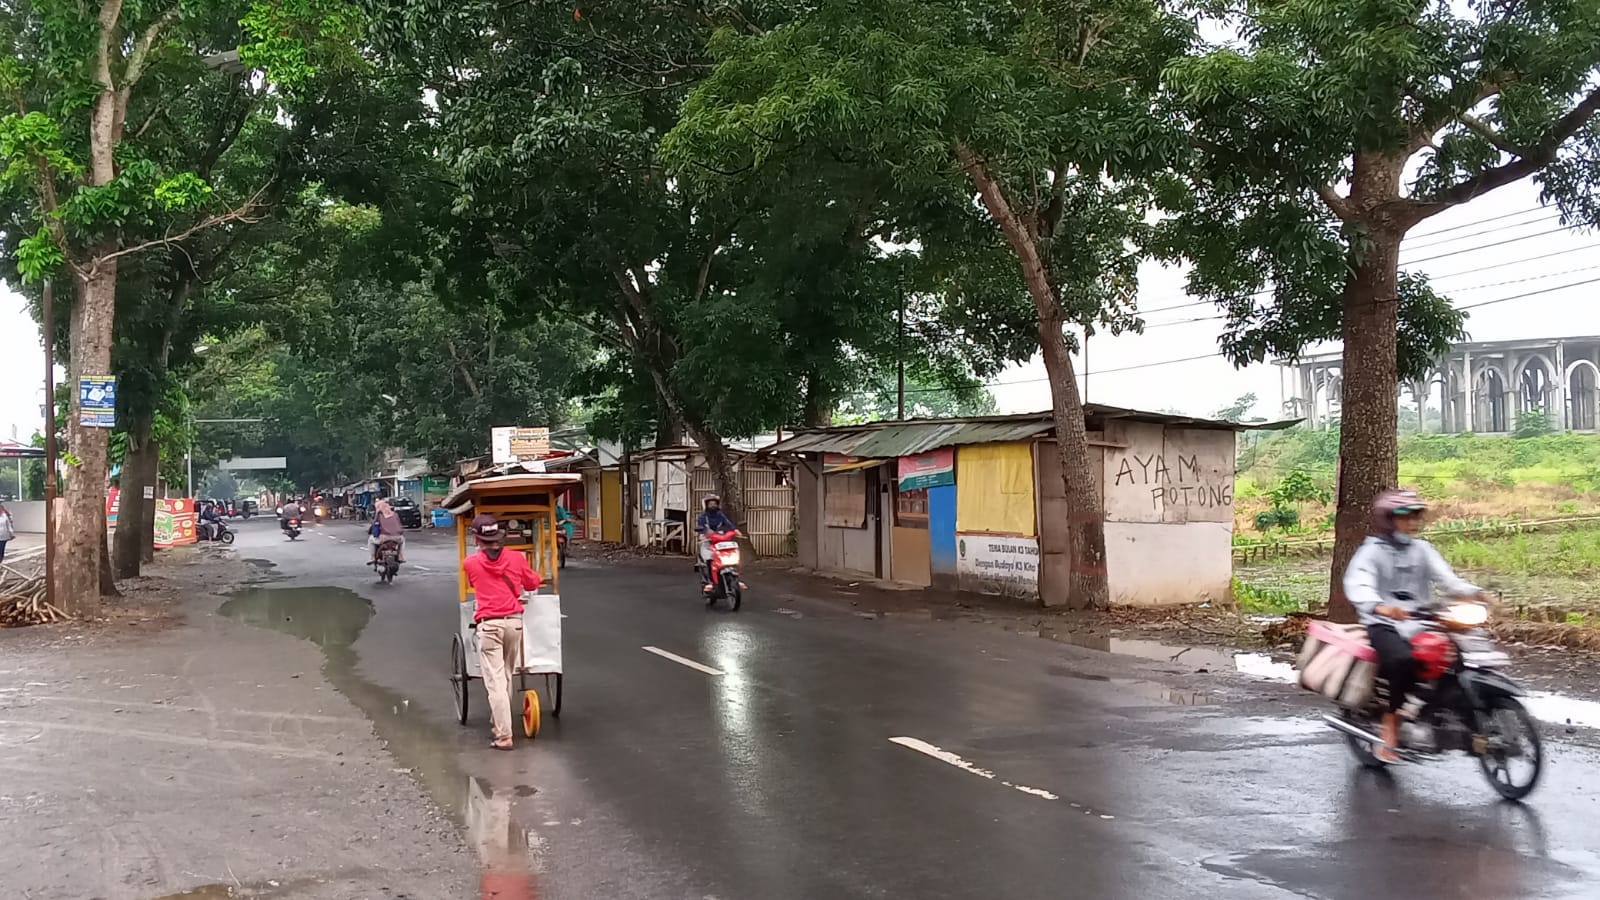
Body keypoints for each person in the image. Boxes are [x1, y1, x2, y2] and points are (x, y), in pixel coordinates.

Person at [1343, 488, 1492, 762]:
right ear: (1389, 519)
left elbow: (1447, 579)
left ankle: (1452, 717)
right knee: (1402, 660)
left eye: (1416, 516)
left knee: (1457, 657)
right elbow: (1358, 582)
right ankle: (1390, 723)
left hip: (1421, 620)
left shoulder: (1422, 549)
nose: (1412, 522)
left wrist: (1475, 592)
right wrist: (1380, 606)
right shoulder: (1371, 551)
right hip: (1383, 622)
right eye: (1405, 516)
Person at [461, 513, 543, 750]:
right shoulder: (517, 559)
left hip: (489, 626)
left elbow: (476, 584)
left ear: (477, 539)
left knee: (495, 681)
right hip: (514, 624)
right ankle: (500, 722)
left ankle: (504, 735)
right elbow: (532, 583)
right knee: (506, 674)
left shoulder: (470, 563)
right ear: (499, 536)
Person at [693, 494, 738, 592]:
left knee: (730, 555)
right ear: (706, 505)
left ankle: (731, 575)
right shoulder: (702, 516)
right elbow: (701, 527)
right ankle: (711, 582)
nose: (713, 505)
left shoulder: (720, 515)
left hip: (720, 540)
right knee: (709, 559)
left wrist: (735, 530)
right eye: (710, 504)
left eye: (714, 504)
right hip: (707, 541)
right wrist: (702, 534)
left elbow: (728, 523)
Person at [369, 498, 407, 563]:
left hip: (384, 538)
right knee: (403, 540)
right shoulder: (395, 515)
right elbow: (400, 526)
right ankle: (401, 555)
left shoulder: (379, 515)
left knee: (370, 540)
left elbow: (374, 525)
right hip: (397, 538)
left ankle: (372, 557)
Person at [0, 501, 14, 565]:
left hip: (3, 536)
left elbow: (8, 525)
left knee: (1, 550)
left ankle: (0, 562)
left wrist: (11, 534)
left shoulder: (4, 515)